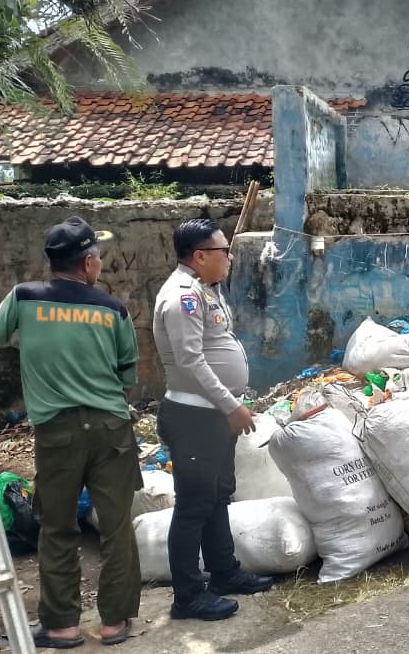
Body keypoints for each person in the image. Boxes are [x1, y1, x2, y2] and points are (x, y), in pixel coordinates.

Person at [0, 216, 140, 648]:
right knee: (117, 527)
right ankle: (114, 623)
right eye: (97, 258)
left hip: (55, 433)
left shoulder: (24, 298)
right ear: (87, 264)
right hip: (110, 429)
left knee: (57, 527)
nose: (99, 264)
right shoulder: (113, 309)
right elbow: (126, 377)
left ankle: (62, 626)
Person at [152, 218, 270, 622]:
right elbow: (190, 360)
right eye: (223, 251)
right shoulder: (182, 296)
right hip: (194, 416)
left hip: (212, 415)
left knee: (219, 495)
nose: (230, 257)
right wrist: (229, 405)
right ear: (200, 256)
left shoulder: (206, 290)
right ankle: (187, 596)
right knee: (193, 506)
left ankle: (224, 572)